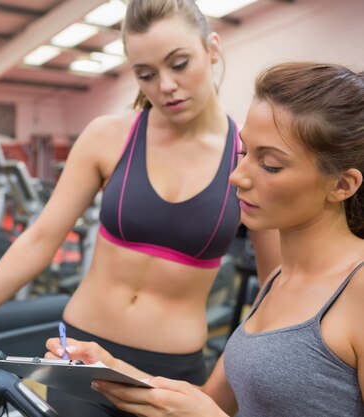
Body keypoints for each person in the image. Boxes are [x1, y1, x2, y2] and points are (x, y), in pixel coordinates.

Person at [0, 0, 279, 415]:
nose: (165, 85)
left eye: (179, 63)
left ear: (212, 49)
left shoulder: (246, 157)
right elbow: (39, 239)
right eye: (146, 74)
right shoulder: (108, 137)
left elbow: (274, 288)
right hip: (82, 356)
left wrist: (223, 388)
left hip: (172, 370)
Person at [46, 61, 364, 416]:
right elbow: (211, 401)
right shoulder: (277, 280)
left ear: (341, 185)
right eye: (244, 153)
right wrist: (112, 369)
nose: (236, 177)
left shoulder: (357, 289)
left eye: (270, 165)